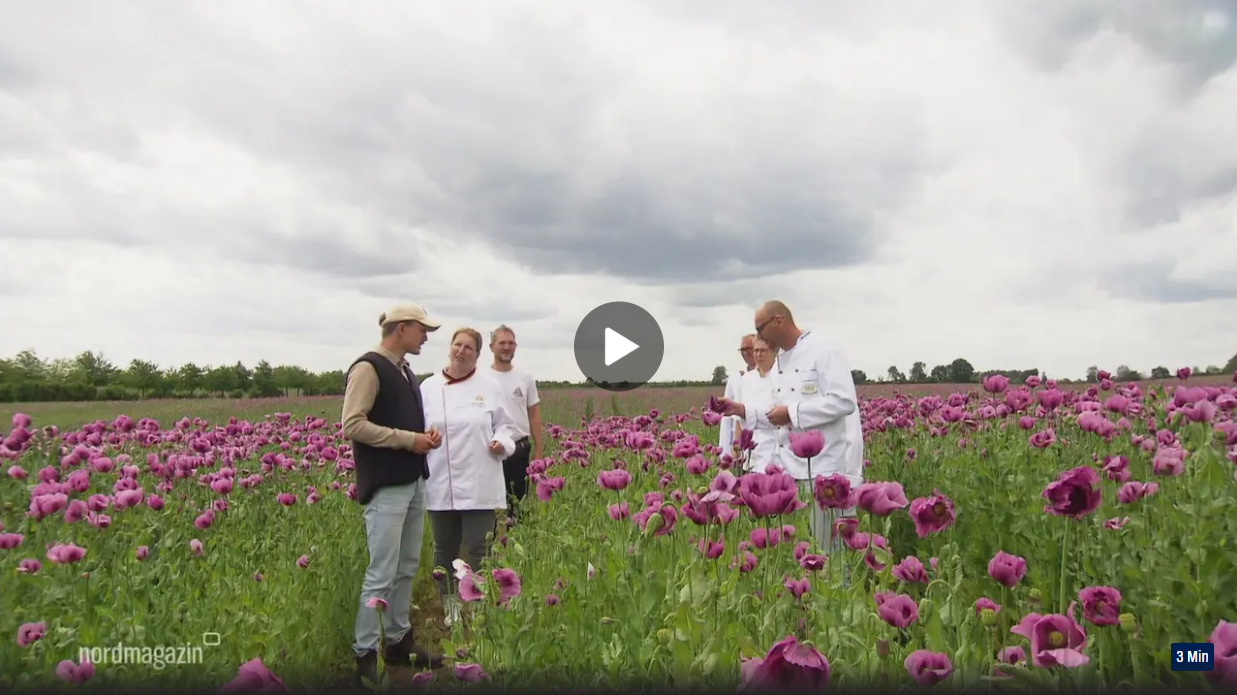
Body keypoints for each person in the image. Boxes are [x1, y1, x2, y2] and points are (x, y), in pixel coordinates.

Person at [341, 304, 446, 684]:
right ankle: (364, 650)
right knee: (381, 571)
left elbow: (400, 425)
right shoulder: (368, 368)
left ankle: (398, 640)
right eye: (421, 329)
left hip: (413, 480)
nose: (426, 336)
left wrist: (423, 439)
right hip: (386, 485)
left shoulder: (405, 372)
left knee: (405, 567)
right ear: (401, 329)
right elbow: (352, 424)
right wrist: (407, 440)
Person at [719, 300, 863, 555]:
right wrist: (741, 411)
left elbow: (843, 402)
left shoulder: (823, 349)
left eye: (760, 330)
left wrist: (793, 413)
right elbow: (777, 416)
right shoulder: (781, 363)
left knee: (829, 553)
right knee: (804, 555)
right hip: (789, 475)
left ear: (778, 320)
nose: (758, 340)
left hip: (823, 473)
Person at [420, 327, 520, 626]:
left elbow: (506, 426)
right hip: (441, 479)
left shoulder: (488, 386)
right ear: (449, 348)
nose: (461, 351)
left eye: (469, 348)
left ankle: (476, 604)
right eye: (457, 345)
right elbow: (416, 426)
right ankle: (450, 604)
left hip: (479, 480)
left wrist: (502, 443)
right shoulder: (428, 387)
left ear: (478, 354)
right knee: (444, 547)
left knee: (479, 546)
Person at [487, 324, 543, 520]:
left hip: (519, 449)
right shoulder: (482, 378)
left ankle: (513, 546)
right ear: (491, 347)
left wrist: (538, 451)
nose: (507, 347)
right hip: (489, 450)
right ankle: (491, 547)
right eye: (502, 343)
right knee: (489, 507)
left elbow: (534, 415)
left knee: (517, 505)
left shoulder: (525, 378)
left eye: (511, 343)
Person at [737, 336, 779, 471]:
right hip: (749, 453)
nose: (758, 355)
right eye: (756, 351)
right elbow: (739, 415)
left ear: (774, 352)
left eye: (763, 351)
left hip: (772, 452)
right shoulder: (746, 379)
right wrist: (737, 444)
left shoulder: (779, 378)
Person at [719, 334, 757, 456]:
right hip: (738, 445)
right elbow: (726, 418)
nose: (745, 353)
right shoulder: (735, 379)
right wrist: (724, 452)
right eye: (742, 350)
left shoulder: (771, 376)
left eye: (748, 348)